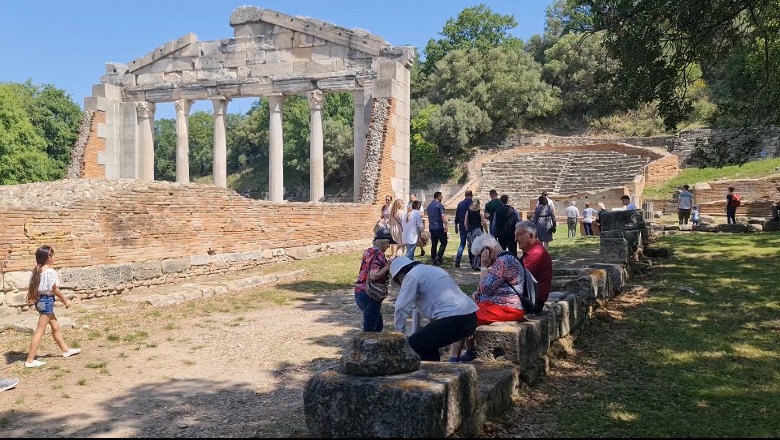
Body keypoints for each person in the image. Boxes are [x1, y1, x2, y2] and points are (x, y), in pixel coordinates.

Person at [448, 235, 525, 362]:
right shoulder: (504, 258)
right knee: (468, 306)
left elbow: (486, 288)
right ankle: (470, 351)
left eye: (479, 256)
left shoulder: (503, 262)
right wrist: (478, 293)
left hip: (507, 307)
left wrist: (484, 266)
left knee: (462, 316)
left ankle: (453, 359)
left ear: (487, 251)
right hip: (506, 305)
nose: (479, 259)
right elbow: (487, 286)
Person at [390, 256, 478, 362]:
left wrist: (399, 335)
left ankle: (430, 371)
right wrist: (416, 334)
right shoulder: (431, 270)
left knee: (416, 342)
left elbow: (401, 307)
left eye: (399, 281)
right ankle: (434, 368)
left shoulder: (411, 276)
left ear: (400, 274)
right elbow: (415, 311)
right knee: (426, 340)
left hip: (454, 319)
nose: (400, 285)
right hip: (471, 317)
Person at [25, 245, 81, 368]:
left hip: (41, 301)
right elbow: (55, 290)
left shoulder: (36, 271)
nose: (54, 257)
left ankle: (65, 350)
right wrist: (65, 301)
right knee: (40, 331)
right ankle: (30, 360)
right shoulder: (50, 272)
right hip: (47, 301)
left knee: (55, 326)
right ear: (47, 257)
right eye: (52, 255)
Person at [354, 230, 394, 332]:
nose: (389, 246)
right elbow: (374, 276)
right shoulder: (379, 254)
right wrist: (388, 265)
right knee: (370, 330)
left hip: (360, 292)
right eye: (388, 243)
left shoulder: (367, 251)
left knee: (378, 324)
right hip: (370, 294)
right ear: (382, 243)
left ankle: (375, 345)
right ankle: (366, 346)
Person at [514, 221, 553, 308]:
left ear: (530, 236)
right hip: (528, 299)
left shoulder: (536, 254)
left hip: (532, 302)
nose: (515, 239)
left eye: (519, 235)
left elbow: (518, 279)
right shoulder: (531, 252)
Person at [426, 191, 448, 266]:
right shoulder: (439, 205)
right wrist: (446, 225)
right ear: (438, 197)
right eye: (441, 197)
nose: (442, 198)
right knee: (444, 242)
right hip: (438, 226)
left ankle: (433, 258)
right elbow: (443, 216)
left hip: (431, 227)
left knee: (434, 243)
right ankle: (439, 256)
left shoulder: (429, 206)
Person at [454, 190, 474, 268]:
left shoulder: (460, 204)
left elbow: (457, 216)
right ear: (471, 195)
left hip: (462, 226)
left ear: (465, 195)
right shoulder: (473, 204)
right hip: (471, 227)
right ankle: (472, 262)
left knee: (462, 244)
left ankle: (457, 260)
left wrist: (456, 225)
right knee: (471, 245)